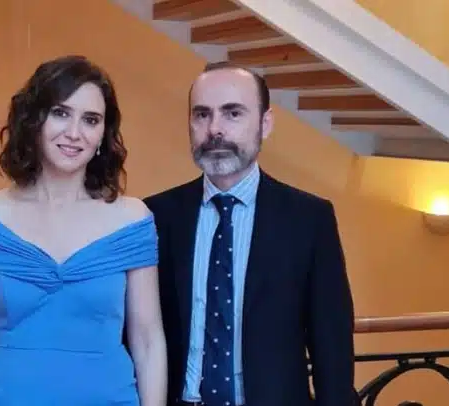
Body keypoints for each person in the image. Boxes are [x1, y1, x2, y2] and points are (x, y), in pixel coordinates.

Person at [0, 55, 167, 406]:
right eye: (61, 113)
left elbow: (148, 340)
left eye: (91, 120)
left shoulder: (132, 220)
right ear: (34, 120)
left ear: (103, 135)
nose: (74, 133)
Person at [143, 62, 355, 406]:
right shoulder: (156, 215)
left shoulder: (309, 219)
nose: (215, 129)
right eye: (202, 115)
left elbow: (331, 345)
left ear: (265, 124)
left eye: (233, 113)